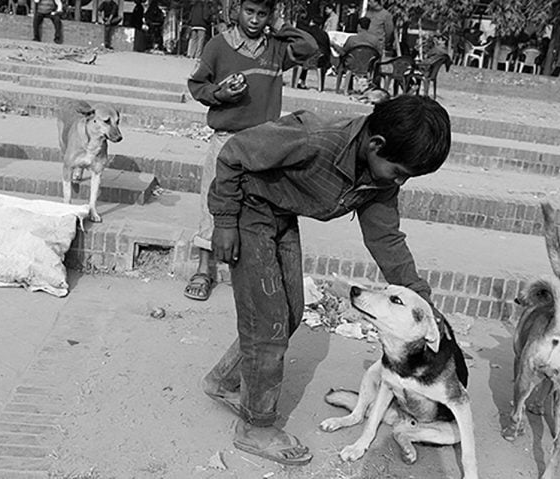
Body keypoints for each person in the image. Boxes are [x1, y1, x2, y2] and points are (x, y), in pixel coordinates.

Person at [203, 94, 452, 465]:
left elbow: (385, 239)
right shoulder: (314, 138)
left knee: (289, 312)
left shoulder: (379, 180)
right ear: (376, 145)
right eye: (400, 172)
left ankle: (224, 381)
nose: (400, 181)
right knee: (268, 324)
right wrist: (223, 221)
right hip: (247, 209)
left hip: (280, 215)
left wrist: (419, 297)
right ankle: (255, 427)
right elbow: (233, 153)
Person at [184, 0, 318, 302]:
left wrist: (282, 26)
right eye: (249, 12)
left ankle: (247, 271)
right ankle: (204, 269)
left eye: (262, 14)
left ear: (270, 15)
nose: (255, 20)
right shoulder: (218, 45)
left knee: (257, 205)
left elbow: (309, 48)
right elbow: (197, 86)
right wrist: (220, 94)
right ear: (237, 11)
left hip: (263, 141)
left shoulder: (275, 48)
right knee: (214, 203)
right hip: (227, 139)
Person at [295, 14, 331, 90]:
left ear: (311, 22)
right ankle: (320, 86)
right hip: (320, 59)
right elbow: (327, 48)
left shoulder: (307, 32)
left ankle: (299, 81)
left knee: (304, 59)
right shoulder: (324, 34)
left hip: (306, 57)